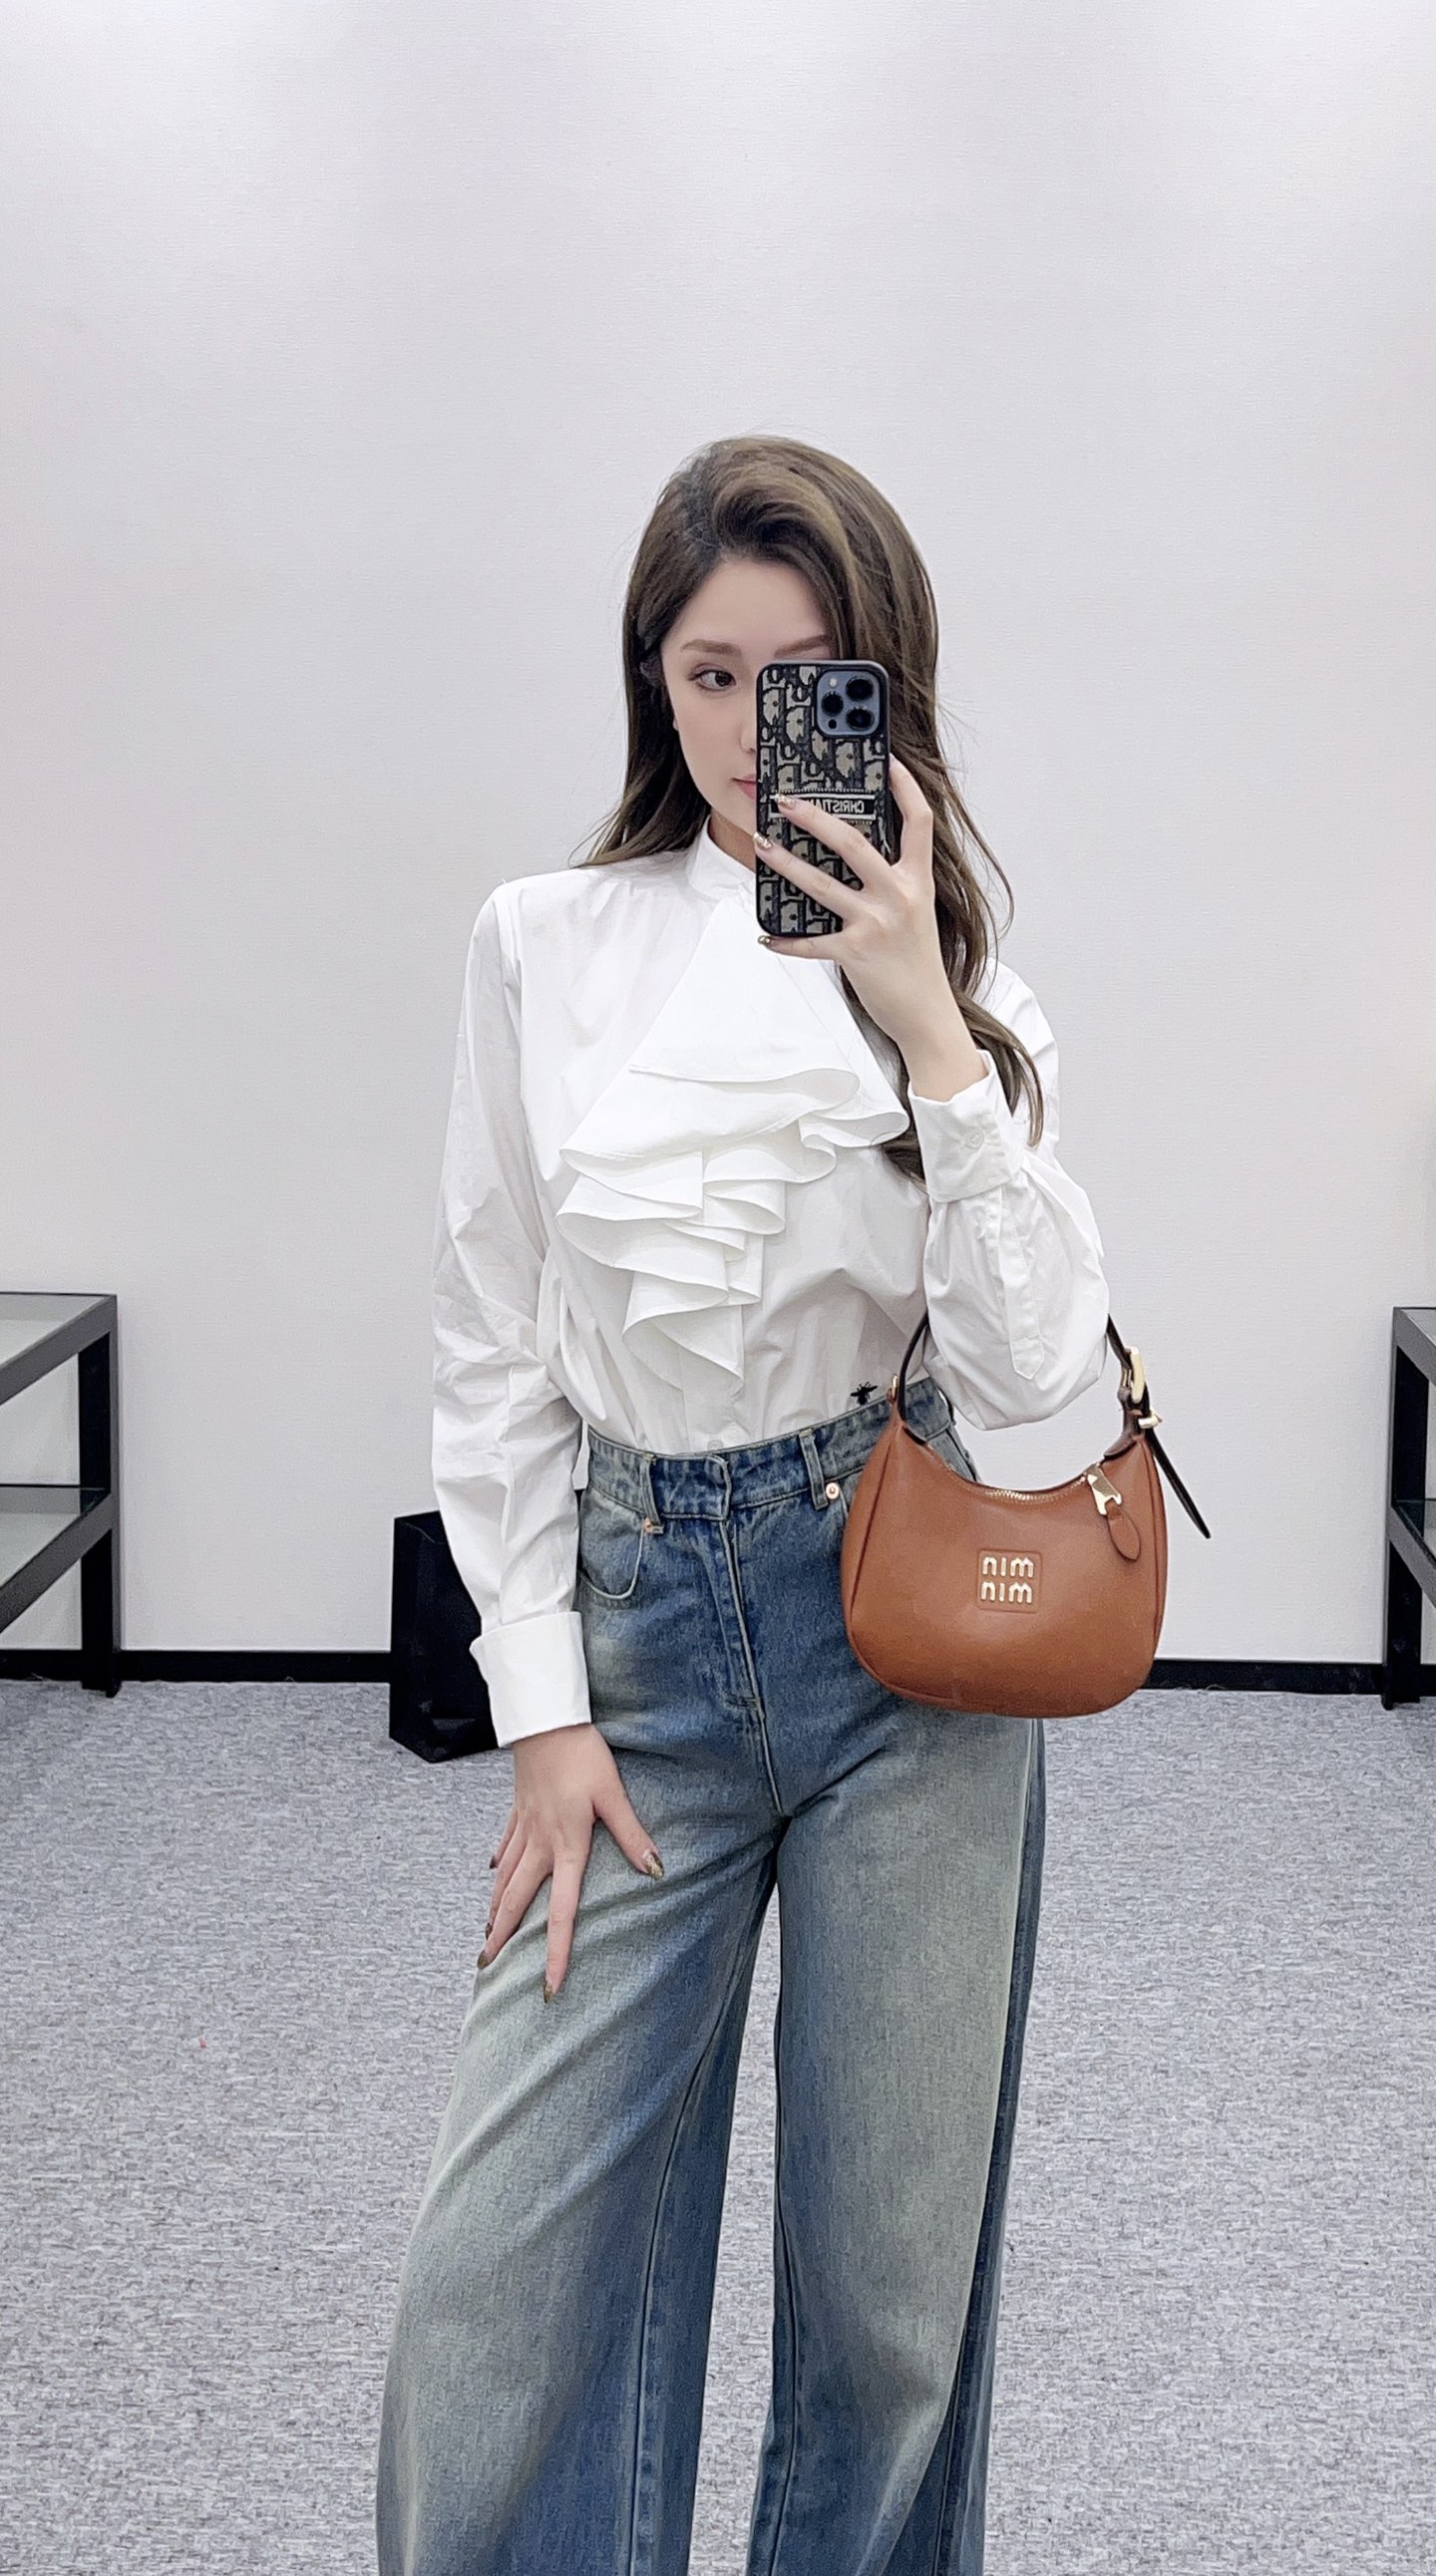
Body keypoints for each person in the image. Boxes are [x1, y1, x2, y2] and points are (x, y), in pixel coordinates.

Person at [375, 433, 1111, 2575]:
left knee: (892, 2303)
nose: (747, 730)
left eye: (805, 683)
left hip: (908, 1650)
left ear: (884, 689)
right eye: (709, 676)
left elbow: (1043, 1401)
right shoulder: (544, 942)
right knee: (499, 2288)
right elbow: (491, 1339)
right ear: (653, 678)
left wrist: (929, 1030)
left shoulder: (961, 981)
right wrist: (541, 1707)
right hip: (641, 1645)